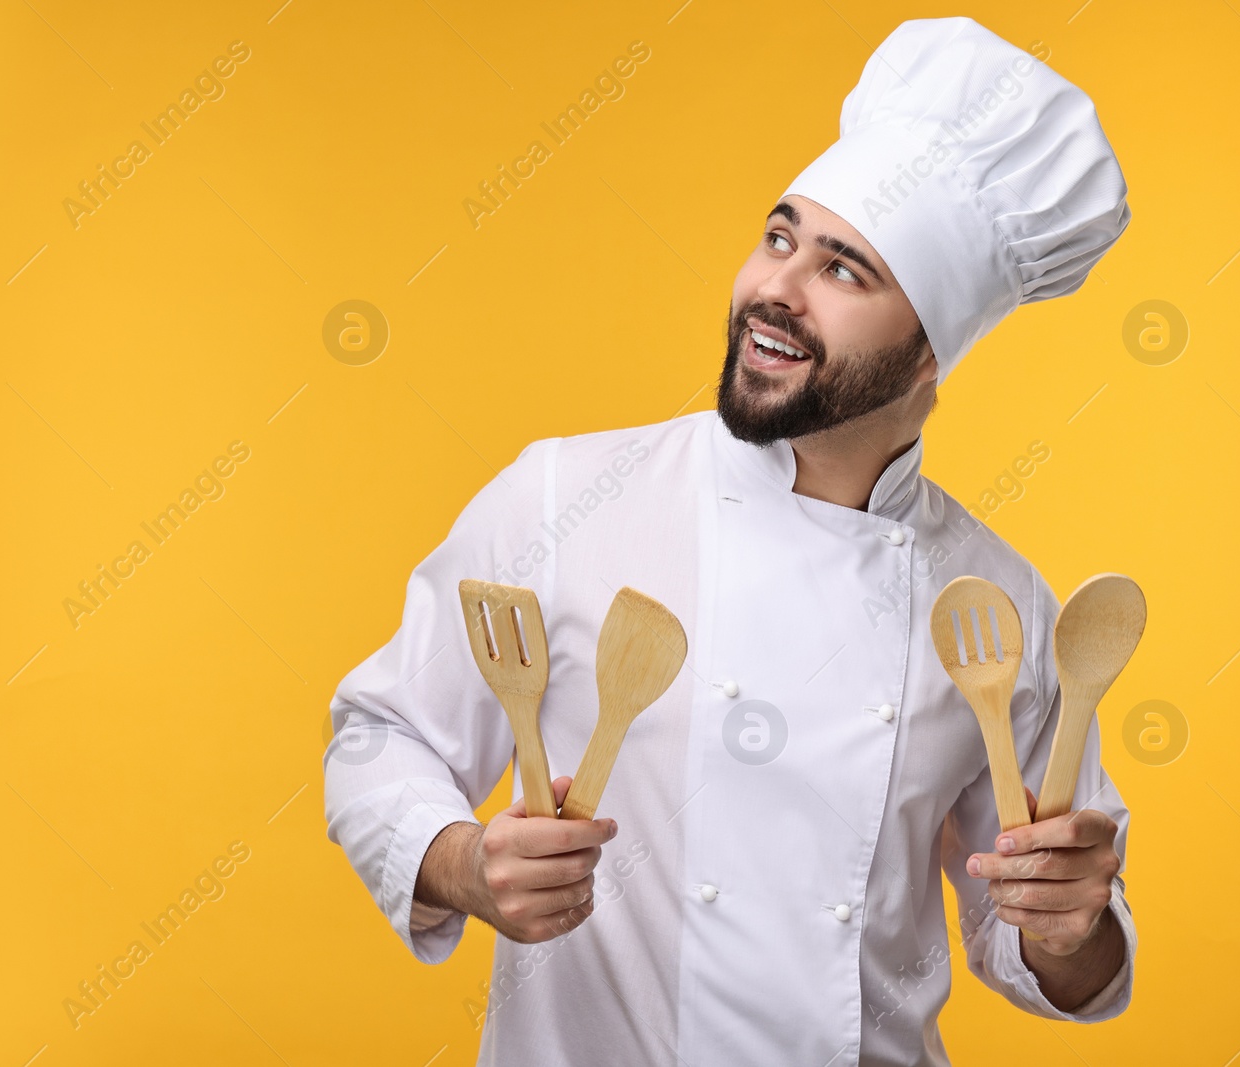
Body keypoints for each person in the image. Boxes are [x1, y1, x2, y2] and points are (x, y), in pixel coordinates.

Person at [324, 16, 1135, 1065]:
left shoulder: (1000, 603)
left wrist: (1073, 920)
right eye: (780, 236)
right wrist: (464, 862)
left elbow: (1048, 951)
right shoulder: (565, 497)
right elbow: (377, 736)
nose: (775, 292)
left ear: (932, 350)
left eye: (845, 271)